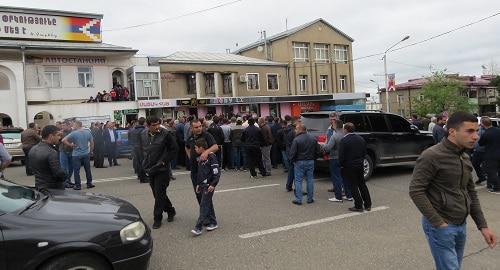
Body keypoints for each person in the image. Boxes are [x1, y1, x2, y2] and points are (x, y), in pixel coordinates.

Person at [410, 112, 497, 270]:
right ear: (452, 132)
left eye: (477, 131)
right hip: (441, 226)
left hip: (460, 224)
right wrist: (438, 223)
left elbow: (471, 193)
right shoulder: (431, 156)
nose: (476, 136)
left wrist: (483, 227)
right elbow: (416, 191)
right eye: (470, 131)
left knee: (454, 266)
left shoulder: (464, 157)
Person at [140, 116, 178, 229]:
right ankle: (170, 210)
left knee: (159, 193)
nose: (157, 127)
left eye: (158, 124)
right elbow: (144, 150)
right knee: (157, 194)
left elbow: (174, 149)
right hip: (150, 169)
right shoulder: (143, 135)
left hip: (162, 169)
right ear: (147, 126)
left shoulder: (165, 134)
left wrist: (163, 162)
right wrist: (144, 164)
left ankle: (157, 218)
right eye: (154, 125)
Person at [191, 138, 221, 236]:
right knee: (208, 204)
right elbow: (200, 173)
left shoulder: (212, 156)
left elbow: (216, 172)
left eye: (196, 148)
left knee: (203, 205)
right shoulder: (200, 158)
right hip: (203, 185)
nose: (195, 149)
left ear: (201, 148)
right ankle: (213, 222)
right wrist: (198, 184)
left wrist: (213, 184)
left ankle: (198, 227)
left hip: (209, 185)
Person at [339, 122, 372, 212]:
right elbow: (364, 152)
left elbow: (341, 156)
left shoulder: (344, 140)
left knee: (353, 186)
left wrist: (341, 165)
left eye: (343, 129)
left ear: (345, 130)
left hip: (349, 166)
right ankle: (368, 204)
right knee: (362, 184)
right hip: (360, 164)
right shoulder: (361, 139)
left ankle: (358, 205)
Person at [186, 119, 219, 205]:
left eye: (200, 126)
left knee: (206, 195)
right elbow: (187, 147)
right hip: (194, 171)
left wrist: (205, 152)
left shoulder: (206, 135)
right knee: (198, 194)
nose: (199, 128)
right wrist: (190, 157)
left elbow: (215, 147)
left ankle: (206, 216)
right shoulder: (190, 137)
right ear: (191, 128)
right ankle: (203, 214)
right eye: (196, 127)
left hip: (205, 171)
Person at [289, 123, 320, 205]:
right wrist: (314, 158)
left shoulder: (296, 139)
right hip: (310, 161)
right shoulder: (313, 138)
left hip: (299, 161)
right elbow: (318, 150)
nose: (295, 130)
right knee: (310, 180)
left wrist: (292, 161)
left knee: (298, 181)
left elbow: (292, 153)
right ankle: (310, 198)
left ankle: (299, 199)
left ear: (300, 130)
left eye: (296, 129)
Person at [29, 125, 67, 190]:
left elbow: (32, 169)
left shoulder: (33, 149)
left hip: (39, 186)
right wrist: (65, 175)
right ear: (51, 136)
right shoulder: (51, 152)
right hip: (53, 189)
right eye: (58, 135)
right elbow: (58, 173)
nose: (59, 137)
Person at [323, 119, 352, 202]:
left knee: (336, 178)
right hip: (345, 159)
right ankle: (349, 195)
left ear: (335, 125)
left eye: (333, 124)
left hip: (335, 158)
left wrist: (323, 146)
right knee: (345, 177)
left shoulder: (334, 136)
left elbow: (328, 148)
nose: (332, 125)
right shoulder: (346, 135)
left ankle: (338, 197)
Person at [62, 121, 94, 190]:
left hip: (76, 154)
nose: (73, 126)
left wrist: (71, 145)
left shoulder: (74, 133)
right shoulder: (88, 132)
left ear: (77, 125)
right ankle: (89, 183)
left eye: (74, 125)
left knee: (76, 171)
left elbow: (63, 140)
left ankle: (78, 185)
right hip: (85, 153)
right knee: (88, 169)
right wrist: (91, 151)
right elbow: (92, 143)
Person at [478, 116, 500, 192]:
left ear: (483, 124)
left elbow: (480, 143)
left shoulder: (486, 133)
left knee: (491, 171)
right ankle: (493, 185)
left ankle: (497, 187)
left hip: (491, 154)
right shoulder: (498, 130)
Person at [129, 117, 147, 183]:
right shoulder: (143, 130)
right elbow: (144, 140)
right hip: (141, 148)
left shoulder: (133, 130)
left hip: (135, 148)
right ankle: (143, 178)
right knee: (143, 163)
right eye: (145, 122)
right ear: (144, 122)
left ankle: (140, 176)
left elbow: (131, 139)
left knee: (138, 163)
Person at [59, 121, 75, 188]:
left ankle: (68, 180)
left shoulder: (73, 132)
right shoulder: (60, 133)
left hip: (72, 151)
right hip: (63, 151)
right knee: (64, 168)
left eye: (64, 125)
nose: (62, 127)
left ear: (69, 126)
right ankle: (64, 182)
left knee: (71, 167)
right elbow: (58, 141)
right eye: (62, 125)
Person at [472, 117, 487, 185]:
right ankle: (482, 177)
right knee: (475, 164)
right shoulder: (478, 129)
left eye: (481, 122)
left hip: (483, 150)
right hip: (477, 150)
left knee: (478, 164)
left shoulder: (487, 130)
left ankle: (483, 177)